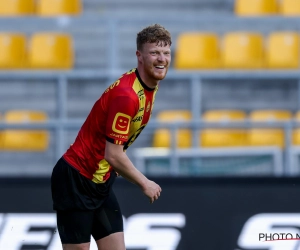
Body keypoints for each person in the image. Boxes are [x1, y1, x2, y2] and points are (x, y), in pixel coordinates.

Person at [51, 23, 172, 250]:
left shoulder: (148, 86)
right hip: (76, 179)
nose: (161, 59)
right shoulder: (128, 96)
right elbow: (113, 154)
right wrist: (144, 183)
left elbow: (113, 142)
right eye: (154, 53)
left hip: (100, 180)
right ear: (139, 56)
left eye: (166, 53)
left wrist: (111, 158)